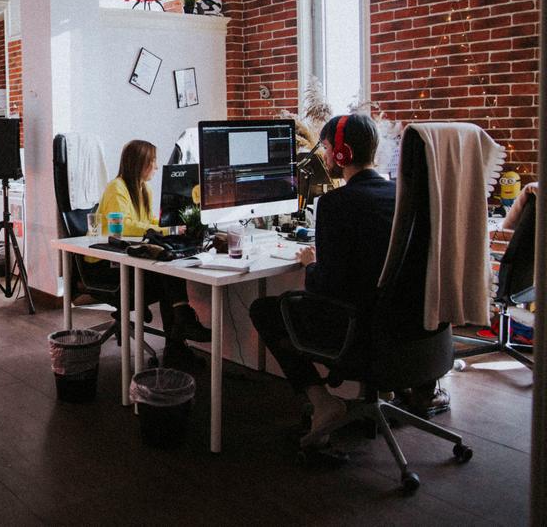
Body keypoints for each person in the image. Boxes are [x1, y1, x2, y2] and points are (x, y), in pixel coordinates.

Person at [250, 114, 450, 445]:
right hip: (415, 333)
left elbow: (324, 288)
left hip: (360, 336)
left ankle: (323, 403)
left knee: (265, 309)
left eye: (328, 148)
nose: (326, 155)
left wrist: (311, 265)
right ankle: (385, 392)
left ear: (342, 153)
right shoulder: (406, 197)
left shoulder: (335, 204)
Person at [87, 139, 212, 366]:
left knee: (168, 269)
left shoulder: (144, 189)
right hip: (106, 265)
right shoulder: (117, 188)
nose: (155, 167)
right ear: (139, 164)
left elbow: (148, 221)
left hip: (127, 259)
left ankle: (177, 342)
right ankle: (179, 334)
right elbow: (125, 226)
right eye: (152, 162)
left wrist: (172, 225)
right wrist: (165, 230)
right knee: (166, 276)